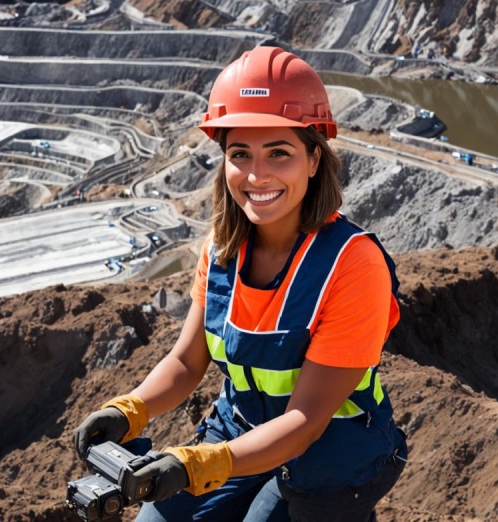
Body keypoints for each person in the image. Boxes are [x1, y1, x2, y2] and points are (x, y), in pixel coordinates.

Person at [74, 46, 407, 521]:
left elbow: (306, 421)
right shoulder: (221, 250)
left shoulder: (354, 265)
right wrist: (130, 410)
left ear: (314, 158)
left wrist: (202, 464)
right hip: (242, 428)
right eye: (240, 154)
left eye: (279, 153)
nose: (257, 174)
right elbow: (188, 361)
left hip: (331, 453)